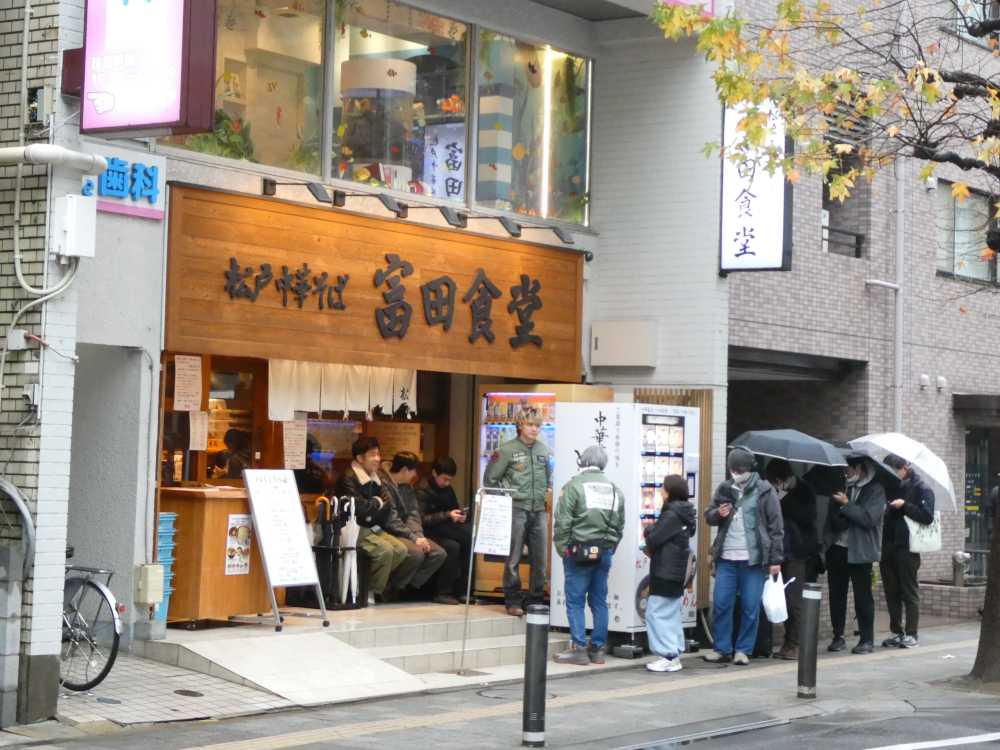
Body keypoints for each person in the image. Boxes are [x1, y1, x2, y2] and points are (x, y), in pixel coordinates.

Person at [703, 447, 784, 665]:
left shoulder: (765, 490)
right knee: (721, 603)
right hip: (726, 557)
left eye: (739, 470)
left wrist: (775, 560)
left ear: (749, 469)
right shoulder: (724, 488)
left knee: (750, 606)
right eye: (733, 470)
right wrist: (717, 514)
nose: (736, 473)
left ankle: (743, 650)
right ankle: (722, 648)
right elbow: (708, 515)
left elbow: (776, 527)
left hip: (754, 559)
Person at [551, 446, 626, 666]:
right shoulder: (615, 490)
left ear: (582, 461)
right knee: (599, 600)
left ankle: (579, 648)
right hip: (604, 551)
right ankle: (598, 649)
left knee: (575, 601)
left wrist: (562, 549)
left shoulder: (573, 486)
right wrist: (610, 547)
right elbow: (620, 525)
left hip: (578, 552)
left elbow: (563, 522)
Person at [483, 408, 552, 617]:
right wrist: (505, 500)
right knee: (513, 558)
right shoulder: (506, 450)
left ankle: (535, 600)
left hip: (539, 510)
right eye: (530, 424)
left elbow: (547, 477)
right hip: (516, 509)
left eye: (537, 425)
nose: (534, 429)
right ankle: (512, 600)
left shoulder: (543, 450)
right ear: (520, 425)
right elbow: (490, 480)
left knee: (540, 560)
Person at [336, 436, 418, 602]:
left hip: (372, 526)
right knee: (385, 551)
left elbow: (386, 504)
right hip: (352, 528)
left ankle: (370, 586)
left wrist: (374, 505)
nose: (377, 459)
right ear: (360, 458)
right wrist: (376, 504)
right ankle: (369, 591)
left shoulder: (376, 477)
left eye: (378, 454)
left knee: (401, 550)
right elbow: (358, 507)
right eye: (372, 455)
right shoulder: (348, 477)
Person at [822, 453, 886, 654]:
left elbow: (869, 519)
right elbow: (834, 519)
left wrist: (847, 505)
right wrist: (844, 511)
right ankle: (838, 636)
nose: (845, 473)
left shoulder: (875, 490)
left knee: (863, 596)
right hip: (837, 548)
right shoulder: (843, 487)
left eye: (847, 469)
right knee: (836, 594)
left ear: (859, 468)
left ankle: (866, 640)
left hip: (860, 550)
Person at [879, 453, 935, 649]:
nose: (891, 475)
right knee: (891, 591)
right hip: (889, 545)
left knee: (909, 592)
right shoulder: (892, 487)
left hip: (908, 548)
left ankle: (912, 634)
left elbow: (927, 517)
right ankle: (896, 632)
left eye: (893, 471)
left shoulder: (922, 488)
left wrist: (905, 506)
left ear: (904, 467)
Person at [643, 474, 697, 674]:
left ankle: (667, 656)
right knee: (671, 614)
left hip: (665, 571)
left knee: (655, 613)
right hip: (676, 572)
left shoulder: (671, 514)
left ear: (669, 492)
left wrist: (649, 530)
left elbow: (653, 539)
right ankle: (673, 654)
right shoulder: (684, 512)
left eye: (663, 488)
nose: (661, 491)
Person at [766, 459, 818, 660]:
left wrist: (784, 501)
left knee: (794, 600)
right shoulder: (773, 493)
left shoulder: (805, 490)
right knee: (782, 599)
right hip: (780, 553)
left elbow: (808, 517)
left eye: (776, 481)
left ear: (782, 479)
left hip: (798, 552)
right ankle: (788, 642)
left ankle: (796, 644)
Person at [379, 452, 449, 601]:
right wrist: (413, 538)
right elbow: (391, 519)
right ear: (405, 470)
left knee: (438, 553)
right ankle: (390, 588)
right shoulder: (383, 484)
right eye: (413, 471)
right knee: (416, 553)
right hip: (390, 531)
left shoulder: (408, 487)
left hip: (408, 532)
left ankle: (407, 588)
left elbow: (413, 514)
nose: (415, 475)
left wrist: (419, 536)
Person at [417, 457, 473, 603]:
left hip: (444, 528)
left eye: (450, 480)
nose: (447, 483)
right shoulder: (422, 490)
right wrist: (447, 515)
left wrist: (460, 515)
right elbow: (421, 519)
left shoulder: (447, 489)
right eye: (445, 479)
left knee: (469, 538)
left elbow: (453, 508)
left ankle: (463, 590)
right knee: (453, 546)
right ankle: (443, 592)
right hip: (428, 531)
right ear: (434, 473)